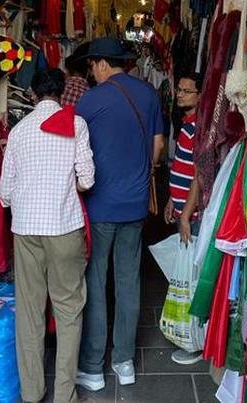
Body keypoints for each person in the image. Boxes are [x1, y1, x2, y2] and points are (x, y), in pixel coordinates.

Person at [0, 68, 94, 403]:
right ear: (61, 92)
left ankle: (32, 393)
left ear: (33, 94)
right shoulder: (76, 124)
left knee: (29, 312)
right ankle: (65, 395)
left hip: (26, 231)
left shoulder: (20, 131)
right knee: (68, 311)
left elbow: (4, 193)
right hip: (65, 228)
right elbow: (88, 180)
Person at [74, 37, 165, 391]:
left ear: (99, 63)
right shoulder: (148, 94)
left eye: (91, 67)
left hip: (99, 205)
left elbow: (77, 149)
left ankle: (93, 369)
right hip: (136, 204)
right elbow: (158, 147)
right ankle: (124, 362)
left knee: (96, 283)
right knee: (129, 281)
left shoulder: (91, 100)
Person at [163, 73, 203, 365]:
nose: (180, 94)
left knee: (192, 281)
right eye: (179, 89)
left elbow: (199, 177)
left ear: (200, 95)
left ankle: (195, 340)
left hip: (194, 214)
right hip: (182, 208)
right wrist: (172, 201)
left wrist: (186, 215)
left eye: (187, 91)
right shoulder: (187, 125)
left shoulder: (198, 128)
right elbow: (183, 169)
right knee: (187, 278)